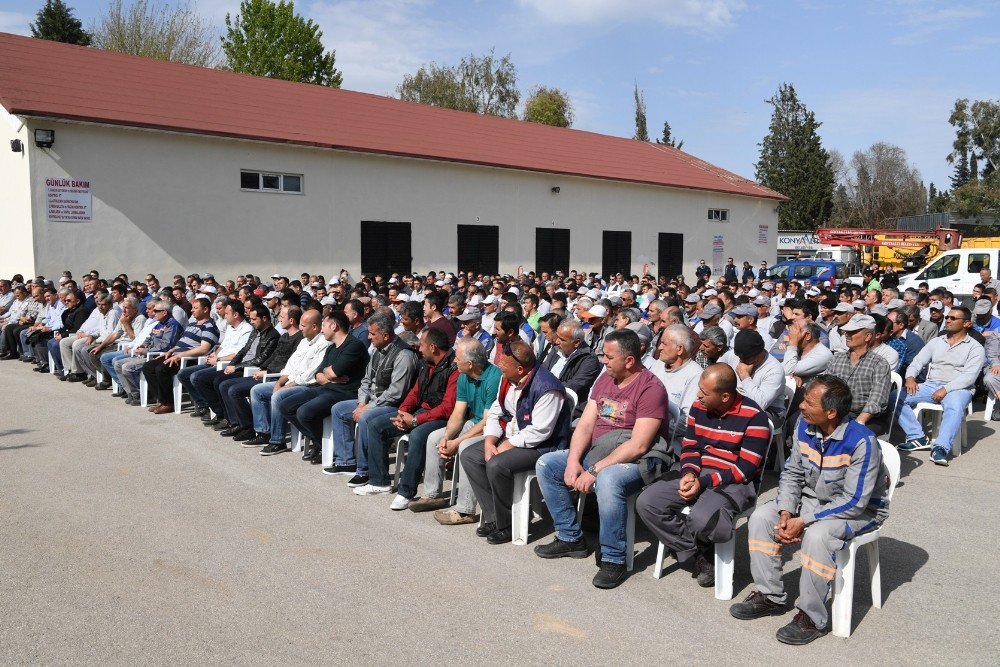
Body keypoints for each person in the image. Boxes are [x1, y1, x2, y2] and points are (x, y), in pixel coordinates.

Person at [730, 375, 888, 646]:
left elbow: (855, 501)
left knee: (817, 536)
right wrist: (785, 511)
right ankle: (771, 596)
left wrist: (804, 520)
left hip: (858, 511)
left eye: (808, 402)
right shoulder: (805, 426)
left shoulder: (862, 442)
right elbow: (792, 473)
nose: (801, 406)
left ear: (831, 412)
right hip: (811, 500)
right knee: (761, 518)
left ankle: (811, 617)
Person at [533, 329, 670, 589]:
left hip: (635, 459)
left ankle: (613, 558)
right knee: (548, 464)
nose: (603, 361)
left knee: (608, 480)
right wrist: (574, 461)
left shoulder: (651, 388)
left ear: (629, 360)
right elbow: (585, 426)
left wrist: (594, 470)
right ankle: (570, 537)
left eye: (608, 357)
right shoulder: (605, 380)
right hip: (599, 451)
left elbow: (639, 445)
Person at [637, 364, 771, 588]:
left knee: (702, 519)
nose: (698, 396)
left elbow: (745, 469)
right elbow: (690, 447)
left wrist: (704, 482)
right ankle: (696, 553)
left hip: (734, 480)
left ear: (725, 396)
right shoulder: (699, 408)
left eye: (705, 392)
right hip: (698, 471)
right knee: (647, 502)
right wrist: (690, 472)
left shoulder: (755, 417)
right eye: (699, 389)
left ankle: (691, 546)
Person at [460, 340, 569, 545]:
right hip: (514, 436)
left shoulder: (547, 388)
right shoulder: (508, 379)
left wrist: (506, 446)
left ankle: (508, 524)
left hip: (543, 446)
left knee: (497, 464)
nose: (499, 365)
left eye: (504, 363)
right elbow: (496, 411)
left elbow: (540, 431)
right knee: (470, 456)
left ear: (520, 369)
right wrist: (490, 441)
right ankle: (494, 516)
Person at [407, 338, 502, 524]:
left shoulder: (493, 378)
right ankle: (432, 495)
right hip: (473, 422)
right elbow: (458, 413)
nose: (454, 362)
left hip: (492, 428)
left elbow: (487, 421)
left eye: (457, 358)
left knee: (466, 447)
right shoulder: (464, 376)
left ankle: (466, 509)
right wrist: (448, 437)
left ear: (470, 363)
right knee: (435, 437)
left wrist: (456, 443)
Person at [358, 327, 458, 502]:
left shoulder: (454, 369)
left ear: (433, 347)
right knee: (376, 425)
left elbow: (447, 408)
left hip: (442, 418)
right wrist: (403, 413)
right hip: (421, 413)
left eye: (422, 345)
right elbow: (414, 392)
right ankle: (380, 482)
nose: (419, 349)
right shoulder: (427, 364)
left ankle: (406, 492)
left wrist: (415, 420)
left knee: (418, 435)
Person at [327, 312, 419, 481]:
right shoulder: (378, 351)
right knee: (339, 409)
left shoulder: (404, 355)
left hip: (394, 406)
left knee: (366, 417)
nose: (368, 337)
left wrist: (367, 407)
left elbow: (396, 392)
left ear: (385, 335)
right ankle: (346, 461)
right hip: (373, 401)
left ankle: (364, 471)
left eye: (372, 334)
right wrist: (362, 402)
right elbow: (366, 380)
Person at [276, 310, 370, 464]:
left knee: (304, 412)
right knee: (285, 405)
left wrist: (329, 375)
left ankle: (325, 446)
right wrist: (330, 376)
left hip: (346, 393)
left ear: (334, 326)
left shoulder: (354, 346)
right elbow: (319, 375)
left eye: (324, 325)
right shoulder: (331, 347)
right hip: (328, 389)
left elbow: (332, 372)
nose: (321, 329)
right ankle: (321, 442)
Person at [896, 306, 984, 465]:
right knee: (895, 397)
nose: (948, 320)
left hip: (958, 388)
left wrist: (946, 389)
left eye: (953, 318)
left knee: (954, 406)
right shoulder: (937, 341)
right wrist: (910, 378)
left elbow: (969, 377)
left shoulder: (975, 347)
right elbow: (917, 362)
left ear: (966, 324)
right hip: (931, 384)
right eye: (948, 318)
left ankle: (941, 447)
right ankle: (917, 437)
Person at [246, 310, 329, 451]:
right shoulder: (303, 342)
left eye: (303, 325)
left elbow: (310, 374)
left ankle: (278, 441)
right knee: (257, 390)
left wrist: (286, 386)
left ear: (315, 327)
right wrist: (279, 383)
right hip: (291, 382)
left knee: (278, 396)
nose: (300, 328)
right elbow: (289, 367)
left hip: (307, 386)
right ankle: (263, 432)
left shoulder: (323, 344)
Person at [141, 296, 219, 414]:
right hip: (177, 355)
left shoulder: (209, 326)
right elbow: (182, 342)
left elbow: (204, 349)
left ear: (205, 309)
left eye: (195, 308)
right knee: (148, 366)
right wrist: (171, 351)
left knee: (161, 369)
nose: (192, 311)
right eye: (192, 308)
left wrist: (179, 355)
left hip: (190, 359)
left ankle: (169, 403)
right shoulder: (192, 324)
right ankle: (161, 400)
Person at [828, 314, 892, 434]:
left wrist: (859, 422)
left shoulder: (879, 364)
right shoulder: (836, 359)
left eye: (852, 332)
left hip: (867, 417)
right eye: (847, 331)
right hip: (836, 413)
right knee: (798, 420)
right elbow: (825, 386)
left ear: (868, 336)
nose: (847, 334)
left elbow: (876, 400)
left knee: (851, 434)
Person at [649, 324, 702, 455]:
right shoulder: (658, 364)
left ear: (679, 349)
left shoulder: (695, 375)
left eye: (664, 343)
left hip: (670, 445)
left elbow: (686, 419)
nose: (659, 347)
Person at [543, 318, 601, 418]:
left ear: (576, 343)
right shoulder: (556, 349)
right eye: (557, 337)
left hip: (567, 407)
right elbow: (542, 371)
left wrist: (545, 387)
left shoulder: (589, 360)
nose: (557, 341)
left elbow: (573, 386)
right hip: (546, 398)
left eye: (562, 339)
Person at [727, 330, 787, 423]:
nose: (741, 361)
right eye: (740, 357)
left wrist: (745, 377)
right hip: (738, 401)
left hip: (769, 411)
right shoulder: (736, 355)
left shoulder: (775, 370)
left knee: (738, 418)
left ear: (759, 353)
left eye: (746, 358)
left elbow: (759, 404)